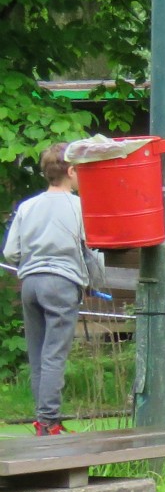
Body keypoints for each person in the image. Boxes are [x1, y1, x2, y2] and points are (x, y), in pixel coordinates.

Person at [4, 145, 103, 436]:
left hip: (30, 284)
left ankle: (42, 420)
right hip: (61, 284)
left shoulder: (27, 206)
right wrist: (93, 284)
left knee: (37, 355)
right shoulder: (81, 207)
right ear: (71, 171)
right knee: (54, 355)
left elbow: (11, 253)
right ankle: (49, 423)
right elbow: (93, 252)